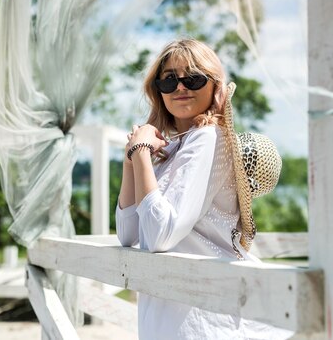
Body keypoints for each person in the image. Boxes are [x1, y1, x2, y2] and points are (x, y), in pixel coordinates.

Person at [115, 38, 292, 340]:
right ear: (158, 89)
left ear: (214, 86)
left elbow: (160, 234)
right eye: (169, 80)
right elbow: (129, 233)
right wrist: (132, 160)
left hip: (200, 313)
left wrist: (142, 150)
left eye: (193, 78)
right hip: (166, 308)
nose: (180, 87)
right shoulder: (171, 148)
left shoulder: (208, 137)